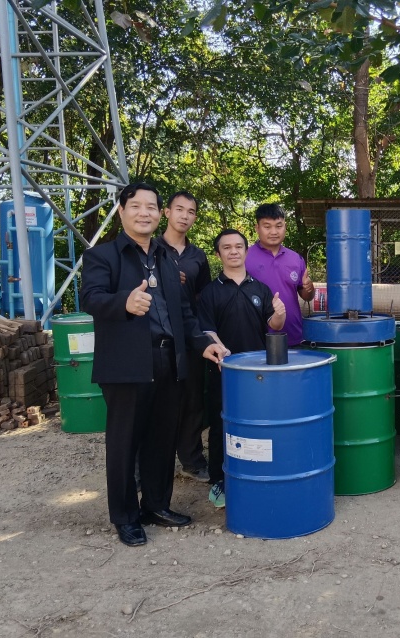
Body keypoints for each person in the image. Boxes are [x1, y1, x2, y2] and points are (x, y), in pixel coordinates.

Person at [81, 183, 227, 547]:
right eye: (136, 206)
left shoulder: (166, 258)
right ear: (122, 211)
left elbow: (184, 313)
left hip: (169, 359)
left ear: (159, 214)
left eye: (150, 207)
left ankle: (156, 506)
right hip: (127, 364)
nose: (144, 212)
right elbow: (91, 298)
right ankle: (125, 517)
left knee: (162, 440)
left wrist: (204, 344)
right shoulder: (103, 256)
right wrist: (124, 303)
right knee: (124, 443)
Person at [198, 229, 286, 508]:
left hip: (257, 373)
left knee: (258, 421)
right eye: (227, 247)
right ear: (218, 254)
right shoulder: (209, 292)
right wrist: (222, 352)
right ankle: (219, 479)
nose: (233, 251)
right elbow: (207, 329)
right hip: (222, 370)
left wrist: (280, 314)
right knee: (220, 423)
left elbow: (274, 326)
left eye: (238, 246)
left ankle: (257, 472)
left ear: (246, 251)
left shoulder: (260, 289)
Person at [155, 191, 212, 483]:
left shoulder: (197, 256)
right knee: (154, 401)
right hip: (157, 336)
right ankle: (145, 465)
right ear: (166, 212)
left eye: (190, 212)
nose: (184, 216)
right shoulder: (150, 249)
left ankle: (191, 459)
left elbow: (203, 296)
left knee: (192, 399)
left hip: (189, 336)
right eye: (179, 209)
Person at [245, 204, 314, 346]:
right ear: (257, 228)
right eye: (267, 226)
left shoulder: (296, 259)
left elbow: (306, 296)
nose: (274, 232)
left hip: (293, 337)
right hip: (256, 340)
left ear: (285, 227)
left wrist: (310, 288)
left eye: (278, 226)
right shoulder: (245, 257)